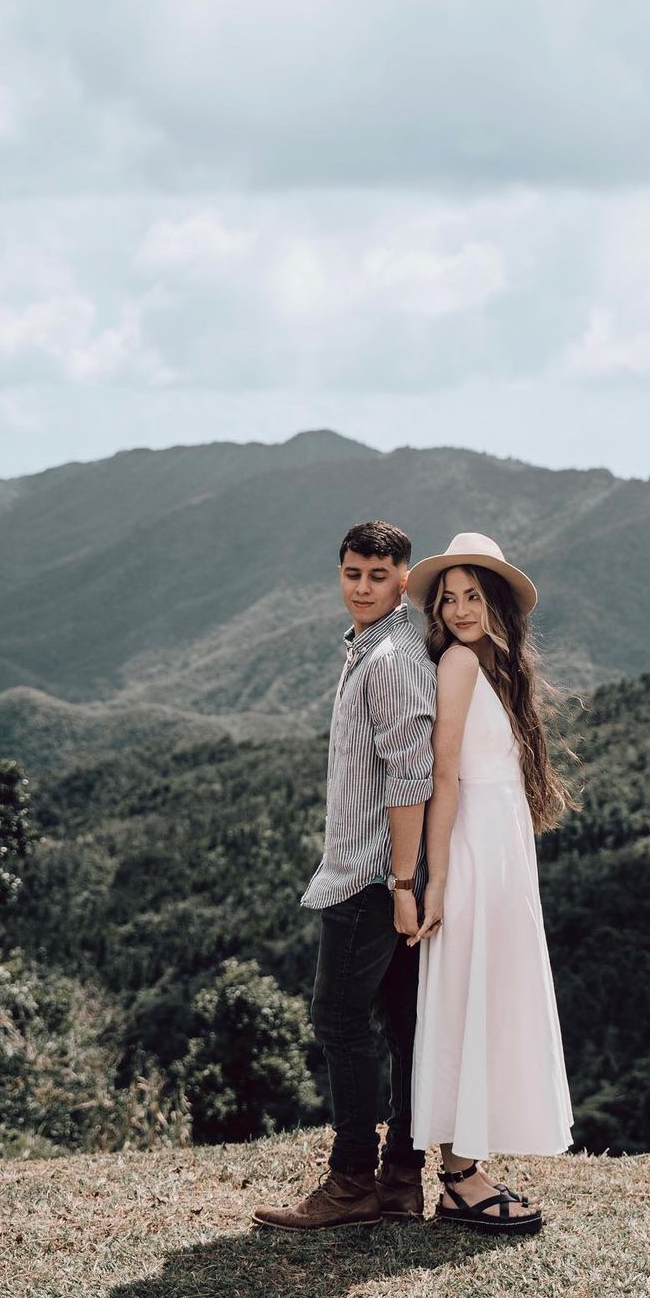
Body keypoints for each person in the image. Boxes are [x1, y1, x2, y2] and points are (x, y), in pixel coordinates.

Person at [253, 521, 436, 1231]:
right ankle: (400, 1181)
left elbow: (409, 779)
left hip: (371, 878)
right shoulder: (372, 648)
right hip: (379, 873)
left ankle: (355, 1177)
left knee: (339, 1020)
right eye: (353, 574)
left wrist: (397, 886)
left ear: (404, 579)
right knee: (400, 1026)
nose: (363, 588)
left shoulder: (391, 659)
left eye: (378, 577)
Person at [405, 532, 575, 1234]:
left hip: (501, 851)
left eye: (474, 595)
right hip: (470, 847)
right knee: (464, 995)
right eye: (450, 599)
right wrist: (436, 879)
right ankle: (456, 1175)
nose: (461, 608)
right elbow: (444, 776)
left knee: (490, 995)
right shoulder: (457, 666)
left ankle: (468, 1162)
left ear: (497, 601)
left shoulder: (493, 665)